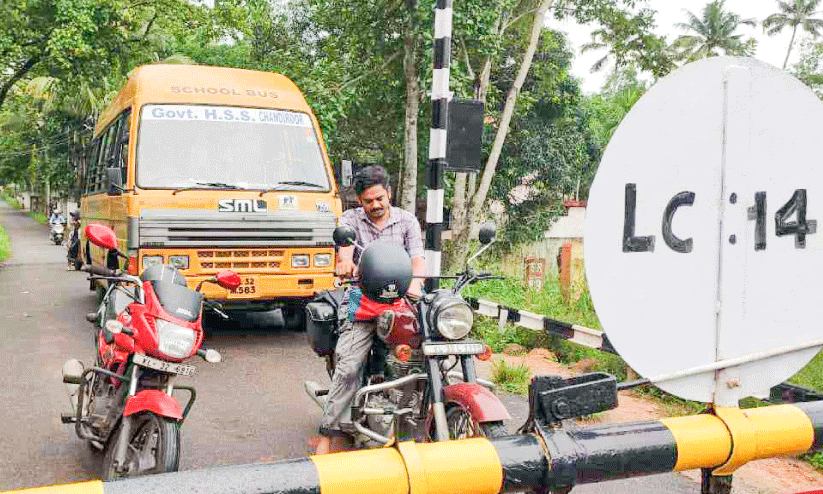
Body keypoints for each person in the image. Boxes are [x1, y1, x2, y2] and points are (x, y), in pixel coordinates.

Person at [315, 165, 426, 455]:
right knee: (349, 364)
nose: (375, 205)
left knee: (427, 350)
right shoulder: (350, 220)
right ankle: (329, 431)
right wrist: (345, 265)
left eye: (379, 198)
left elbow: (417, 261)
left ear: (388, 193)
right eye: (368, 200)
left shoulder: (407, 221)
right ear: (360, 201)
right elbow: (345, 255)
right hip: (360, 297)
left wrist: (415, 285)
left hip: (399, 298)